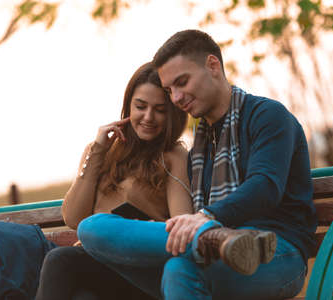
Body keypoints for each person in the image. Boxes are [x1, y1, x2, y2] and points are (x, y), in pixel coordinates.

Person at [77, 29, 317, 300]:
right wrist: (202, 228)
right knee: (91, 228)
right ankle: (212, 239)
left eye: (182, 82)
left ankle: (212, 238)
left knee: (181, 269)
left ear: (213, 65)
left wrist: (207, 217)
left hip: (277, 254)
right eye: (170, 90)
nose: (176, 98)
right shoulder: (201, 145)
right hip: (209, 258)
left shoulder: (267, 116)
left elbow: (265, 187)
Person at [35, 62, 192, 300]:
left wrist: (146, 227)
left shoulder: (173, 156)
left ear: (172, 112)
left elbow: (181, 223)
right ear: (128, 104)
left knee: (59, 259)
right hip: (98, 264)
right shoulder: (103, 151)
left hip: (141, 269)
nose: (148, 117)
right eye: (141, 106)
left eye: (160, 109)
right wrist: (97, 151)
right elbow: (74, 218)